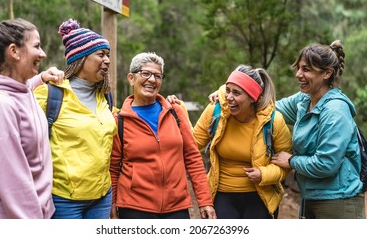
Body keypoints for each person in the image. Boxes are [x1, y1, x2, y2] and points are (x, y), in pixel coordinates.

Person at [109, 52, 216, 219]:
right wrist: (113, 204)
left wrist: (205, 201)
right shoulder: (119, 120)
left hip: (177, 206)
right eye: (145, 73)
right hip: (134, 207)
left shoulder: (175, 113)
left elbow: (193, 158)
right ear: (131, 78)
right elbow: (113, 168)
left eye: (157, 76)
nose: (152, 80)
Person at [0, 16, 63, 218]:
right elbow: (14, 184)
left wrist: (41, 78)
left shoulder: (21, 89)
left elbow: (22, 92)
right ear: (14, 51)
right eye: (37, 46)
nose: (42, 53)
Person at [271, 40, 365, 219]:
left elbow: (326, 163)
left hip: (339, 201)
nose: (298, 74)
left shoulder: (335, 110)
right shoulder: (305, 100)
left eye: (306, 69)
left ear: (327, 73)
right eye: (299, 68)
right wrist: (225, 97)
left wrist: (291, 161)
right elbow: (271, 108)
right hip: (311, 197)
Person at [33, 18, 117, 219]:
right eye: (101, 55)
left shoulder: (105, 96)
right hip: (63, 199)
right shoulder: (50, 94)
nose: (107, 60)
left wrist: (158, 103)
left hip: (102, 196)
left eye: (108, 55)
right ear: (80, 58)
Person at [192, 65, 292, 219]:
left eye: (237, 93)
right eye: (228, 90)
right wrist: (178, 111)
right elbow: (191, 145)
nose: (229, 97)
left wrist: (263, 174)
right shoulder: (215, 112)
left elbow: (285, 164)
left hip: (260, 195)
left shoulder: (273, 121)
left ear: (253, 98)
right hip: (222, 194)